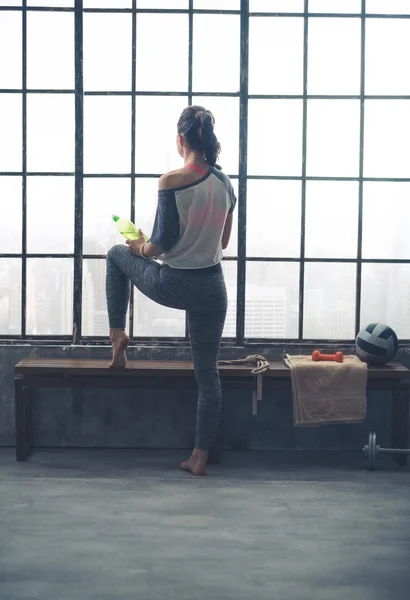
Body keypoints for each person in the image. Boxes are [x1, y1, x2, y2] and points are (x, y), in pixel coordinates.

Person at [105, 105, 236, 476]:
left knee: (116, 254)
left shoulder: (171, 181)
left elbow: (161, 243)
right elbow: (223, 241)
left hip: (175, 283)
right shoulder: (225, 184)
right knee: (207, 374)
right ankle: (199, 458)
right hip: (213, 288)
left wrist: (140, 248)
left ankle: (117, 337)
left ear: (181, 140)